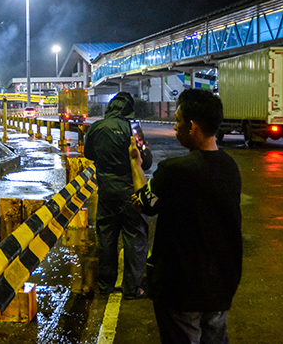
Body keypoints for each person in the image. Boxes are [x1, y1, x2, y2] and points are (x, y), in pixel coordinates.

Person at [130, 89, 242, 344]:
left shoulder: (175, 171)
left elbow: (143, 204)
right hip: (221, 285)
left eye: (178, 122)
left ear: (192, 126)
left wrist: (135, 164)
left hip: (182, 288)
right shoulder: (230, 167)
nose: (174, 127)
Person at [84, 91, 151, 299]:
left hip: (105, 192)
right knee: (135, 238)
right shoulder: (133, 129)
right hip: (130, 192)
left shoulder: (95, 128)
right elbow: (146, 161)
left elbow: (88, 154)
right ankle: (133, 288)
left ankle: (105, 285)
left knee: (106, 239)